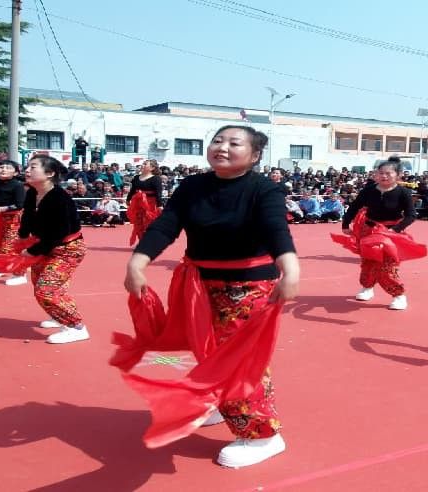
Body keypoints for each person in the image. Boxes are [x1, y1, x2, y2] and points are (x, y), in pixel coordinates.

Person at [124, 125, 299, 468]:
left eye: (234, 143)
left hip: (248, 287)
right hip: (199, 284)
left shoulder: (264, 189)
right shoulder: (192, 186)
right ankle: (219, 404)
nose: (222, 147)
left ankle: (262, 435)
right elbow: (167, 225)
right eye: (218, 140)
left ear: (255, 155)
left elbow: (275, 229)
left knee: (237, 360)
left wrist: (290, 268)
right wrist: (138, 262)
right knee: (200, 351)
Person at [19, 156, 88, 344]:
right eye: (28, 166)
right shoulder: (32, 193)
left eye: (33, 167)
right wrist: (22, 236)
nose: (27, 170)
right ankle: (59, 316)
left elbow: (59, 233)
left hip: (67, 249)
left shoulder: (59, 198)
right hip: (45, 245)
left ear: (49, 173)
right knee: (41, 284)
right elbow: (27, 216)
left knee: (46, 290)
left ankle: (77, 327)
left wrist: (33, 251)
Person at [342, 156, 416, 310]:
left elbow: (411, 215)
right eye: (381, 173)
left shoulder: (403, 192)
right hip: (369, 230)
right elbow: (354, 207)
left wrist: (394, 229)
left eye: (388, 173)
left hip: (391, 233)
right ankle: (367, 287)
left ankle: (399, 295)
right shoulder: (369, 190)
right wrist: (345, 223)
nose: (384, 176)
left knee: (387, 266)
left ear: (398, 175)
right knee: (368, 262)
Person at [0, 160, 27, 286]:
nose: (3, 169)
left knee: (10, 248)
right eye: (1, 167)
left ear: (15, 172)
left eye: (8, 168)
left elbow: (19, 205)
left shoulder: (18, 185)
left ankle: (20, 274)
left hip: (13, 220)